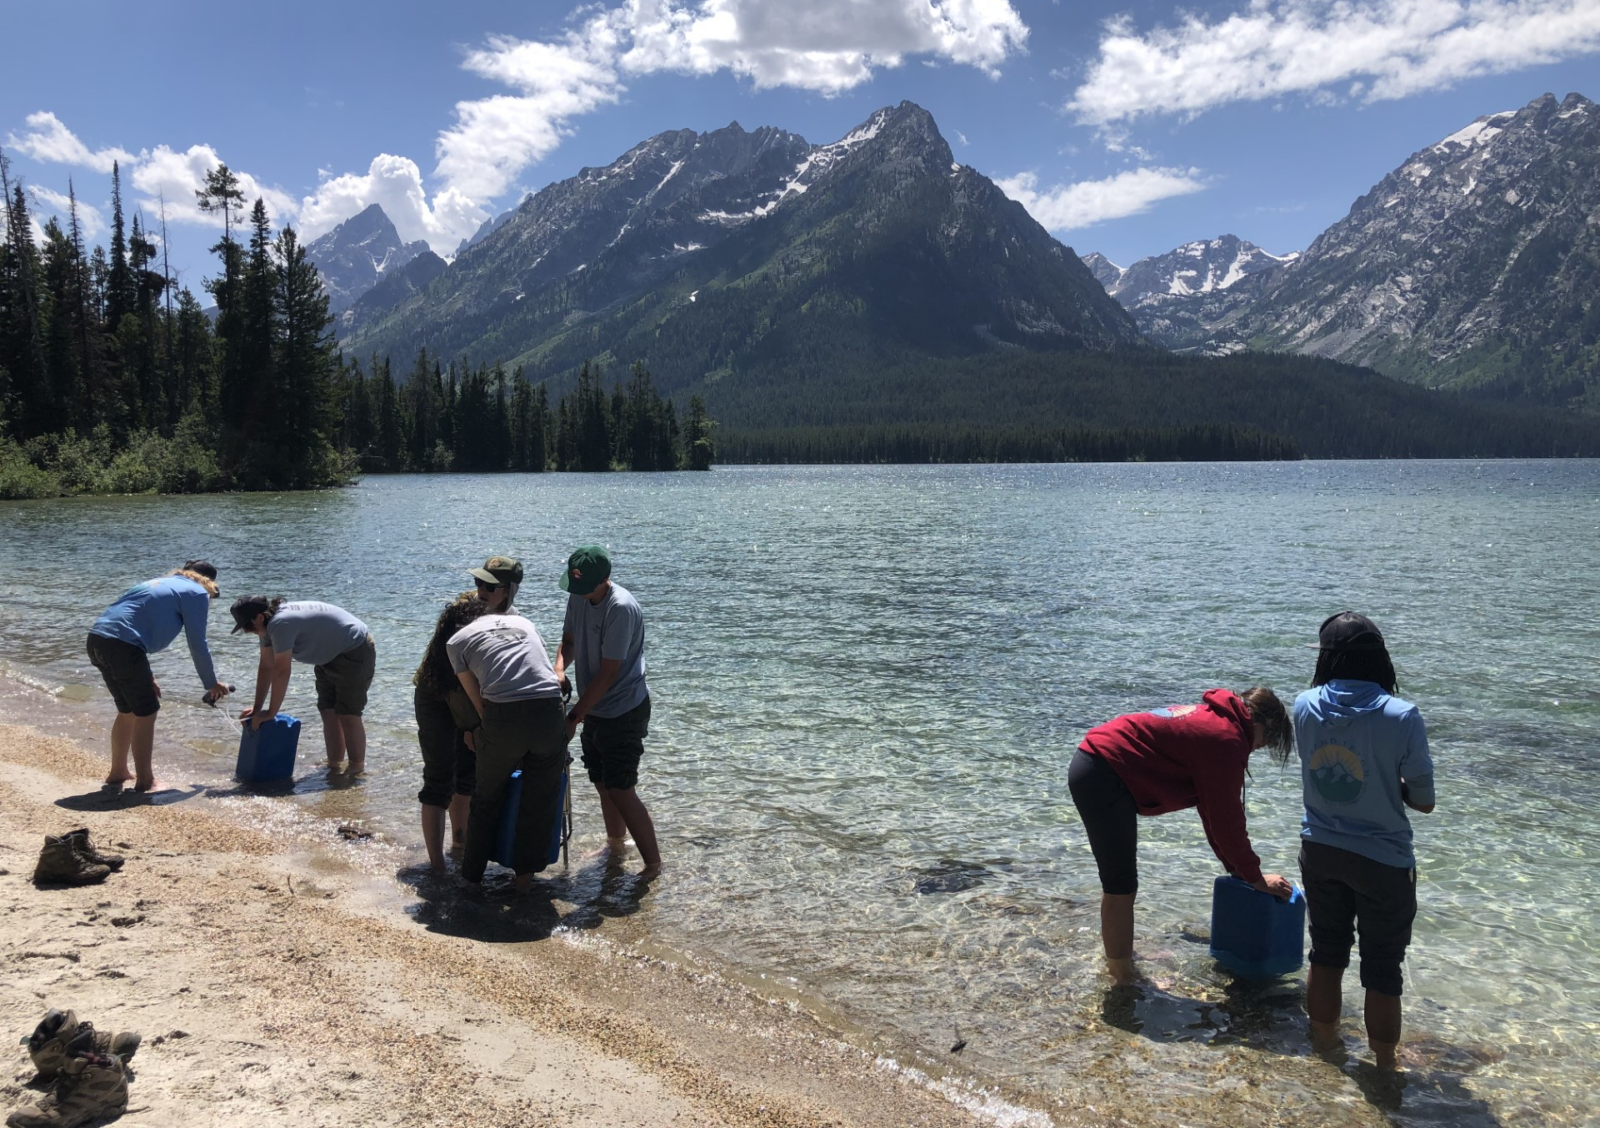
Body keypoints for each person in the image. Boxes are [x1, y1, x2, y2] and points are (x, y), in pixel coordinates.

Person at [1070, 687, 1294, 985]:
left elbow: (1213, 814)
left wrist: (1238, 871)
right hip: (1103, 772)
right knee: (1120, 884)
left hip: (1096, 763)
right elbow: (1228, 821)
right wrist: (1255, 877)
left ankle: (1120, 958)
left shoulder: (1218, 724)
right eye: (1265, 741)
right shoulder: (1226, 740)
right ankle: (1122, 977)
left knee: (1121, 883)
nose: (1258, 748)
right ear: (1260, 725)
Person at [1296, 612, 1435, 1071]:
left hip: (1319, 849)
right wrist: (1387, 782)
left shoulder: (1303, 705)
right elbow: (1424, 802)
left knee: (1326, 951)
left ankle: (1323, 1049)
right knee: (1383, 969)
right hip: (1382, 859)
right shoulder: (1402, 715)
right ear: (1381, 658)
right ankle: (1384, 1068)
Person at [553, 546, 661, 876]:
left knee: (621, 788)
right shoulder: (578, 595)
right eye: (576, 587)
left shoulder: (622, 608)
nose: (579, 594)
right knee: (602, 782)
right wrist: (558, 669)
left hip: (623, 708)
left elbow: (609, 671)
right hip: (594, 706)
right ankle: (616, 846)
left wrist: (574, 717)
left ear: (605, 580)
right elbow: (569, 640)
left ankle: (653, 865)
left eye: (585, 588)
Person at [447, 600, 567, 893]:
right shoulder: (526, 624)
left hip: (503, 715)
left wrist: (489, 729)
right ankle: (523, 883)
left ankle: (472, 880)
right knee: (539, 801)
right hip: (550, 710)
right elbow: (543, 669)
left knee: (487, 799)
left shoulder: (456, 641)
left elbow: (479, 703)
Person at [87, 561, 230, 792]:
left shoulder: (159, 583)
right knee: (147, 712)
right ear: (210, 584)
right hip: (124, 647)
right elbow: (198, 644)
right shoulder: (197, 593)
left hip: (97, 639)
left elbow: (132, 622)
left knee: (128, 710)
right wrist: (211, 682)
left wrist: (148, 676)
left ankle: (118, 772)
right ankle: (145, 781)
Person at [230, 596, 376, 775]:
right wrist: (257, 708)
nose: (248, 631)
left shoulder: (280, 624)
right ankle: (334, 765)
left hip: (354, 648)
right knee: (327, 710)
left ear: (260, 617)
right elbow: (267, 666)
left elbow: (282, 671)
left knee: (348, 713)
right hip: (327, 655)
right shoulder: (267, 628)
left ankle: (356, 769)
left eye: (248, 626)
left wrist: (271, 712)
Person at [414, 594, 487, 874]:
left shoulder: (468, 625)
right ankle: (438, 865)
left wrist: (473, 726)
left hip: (459, 691)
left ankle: (459, 847)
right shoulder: (454, 642)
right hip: (435, 694)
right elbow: (459, 692)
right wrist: (472, 727)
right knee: (439, 778)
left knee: (466, 775)